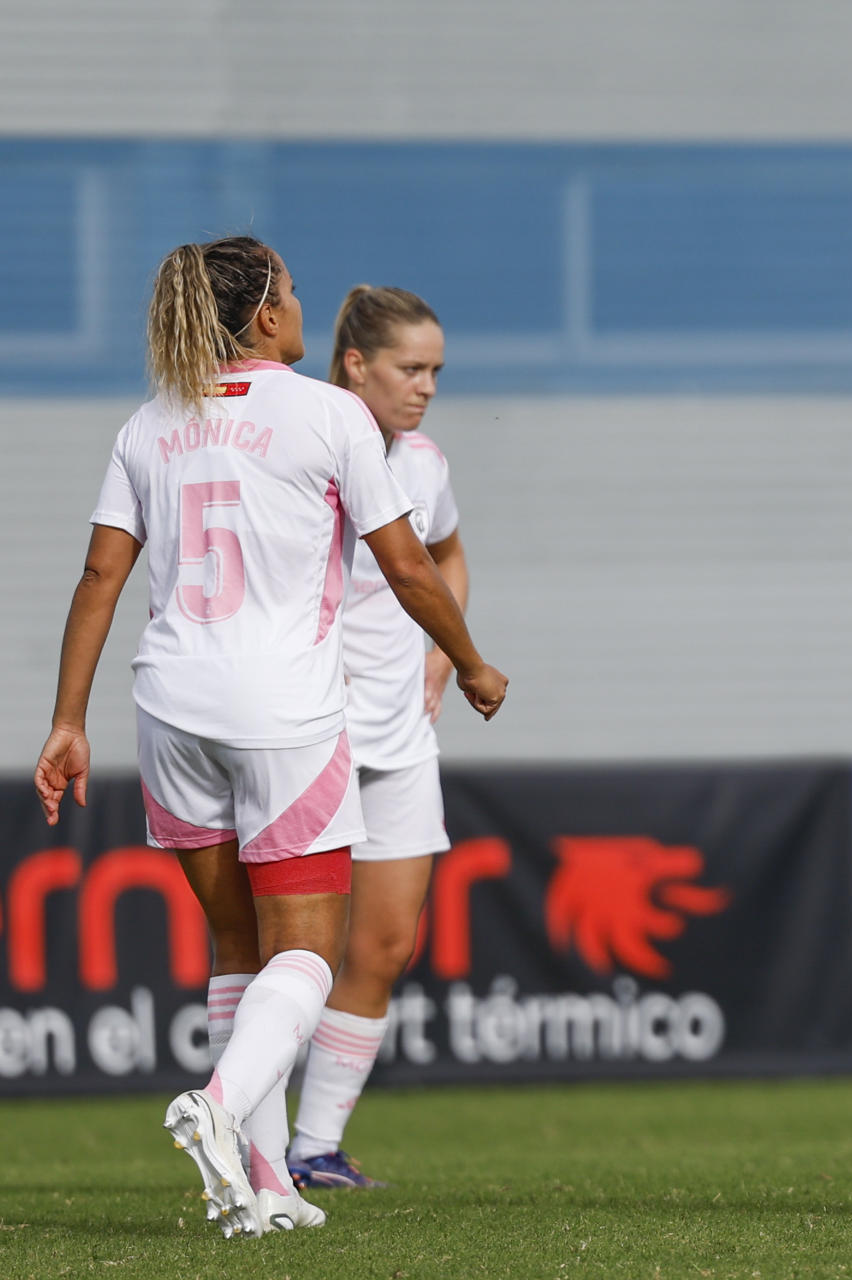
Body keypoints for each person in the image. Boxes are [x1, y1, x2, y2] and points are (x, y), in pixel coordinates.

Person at [31, 236, 508, 1239]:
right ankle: (216, 1100)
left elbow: (98, 580)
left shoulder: (149, 423)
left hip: (166, 702)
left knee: (238, 948)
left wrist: (68, 719)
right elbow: (414, 569)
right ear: (263, 320)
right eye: (290, 291)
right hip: (280, 708)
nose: (301, 303)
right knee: (308, 954)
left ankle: (264, 1183)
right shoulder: (330, 415)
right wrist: (468, 660)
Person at [286, 286, 464, 1189]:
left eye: (435, 370)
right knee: (294, 955)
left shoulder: (424, 463)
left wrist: (444, 647)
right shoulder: (306, 449)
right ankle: (243, 1145)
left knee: (385, 947)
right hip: (310, 739)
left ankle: (314, 1147)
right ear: (355, 364)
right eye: (410, 368)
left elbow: (450, 555)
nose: (426, 386)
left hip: (401, 741)